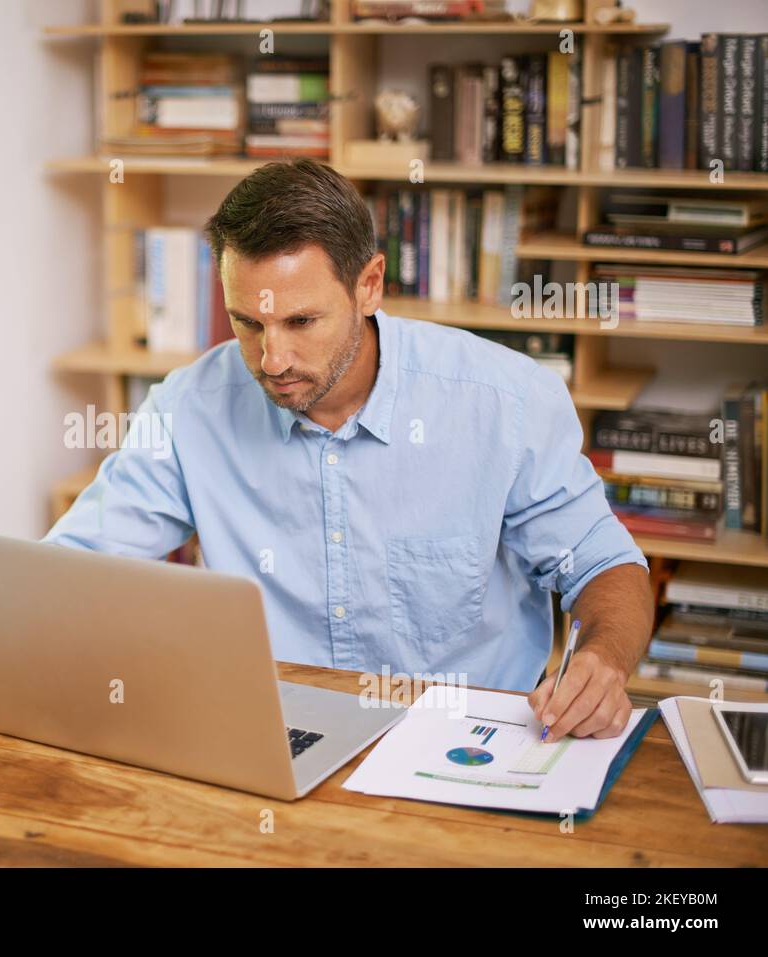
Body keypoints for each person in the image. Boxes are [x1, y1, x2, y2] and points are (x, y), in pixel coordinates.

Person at [45, 159, 653, 742]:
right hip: (270, 733)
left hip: (461, 742)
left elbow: (606, 568)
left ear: (369, 286)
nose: (271, 360)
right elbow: (71, 572)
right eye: (248, 324)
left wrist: (601, 660)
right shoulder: (188, 409)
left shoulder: (504, 402)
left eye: (302, 322)